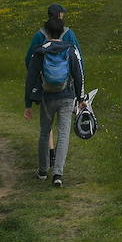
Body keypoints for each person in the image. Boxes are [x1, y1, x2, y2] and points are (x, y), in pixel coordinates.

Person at [24, 17, 87, 186]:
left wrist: (28, 104)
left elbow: (30, 78)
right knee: (64, 133)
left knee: (45, 132)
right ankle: (58, 174)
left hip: (46, 97)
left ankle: (43, 170)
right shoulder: (70, 49)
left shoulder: (40, 51)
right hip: (67, 96)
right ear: (62, 32)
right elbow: (78, 74)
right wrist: (80, 98)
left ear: (47, 31)